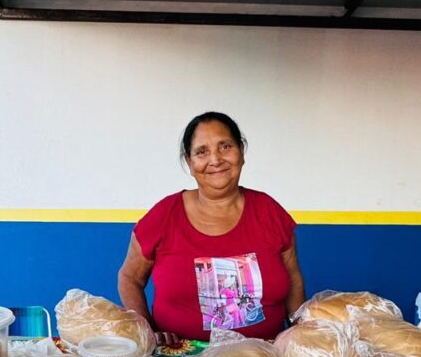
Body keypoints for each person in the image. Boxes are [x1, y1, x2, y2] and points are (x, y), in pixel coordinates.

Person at [118, 111, 305, 342]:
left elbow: (293, 278)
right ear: (189, 161)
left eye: (225, 146)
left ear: (241, 151)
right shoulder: (165, 215)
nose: (215, 160)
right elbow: (129, 277)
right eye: (201, 152)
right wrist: (146, 330)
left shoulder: (269, 212)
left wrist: (300, 333)